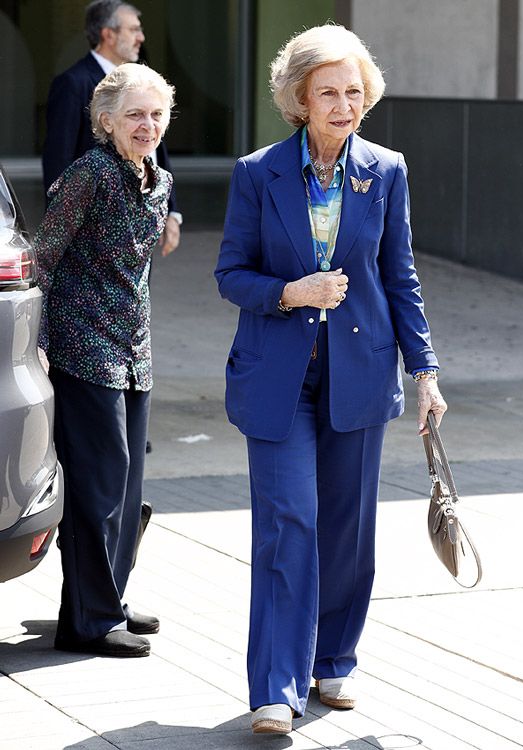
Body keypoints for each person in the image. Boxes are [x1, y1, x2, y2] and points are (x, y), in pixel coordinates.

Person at [215, 24, 447, 734]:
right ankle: (276, 687)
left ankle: (334, 660)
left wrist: (426, 368)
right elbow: (231, 274)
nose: (344, 105)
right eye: (329, 93)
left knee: (345, 530)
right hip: (277, 379)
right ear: (299, 99)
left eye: (354, 91)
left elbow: (398, 276)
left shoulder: (387, 169)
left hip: (362, 371)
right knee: (291, 523)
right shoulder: (259, 172)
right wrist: (292, 292)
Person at [35, 63, 175, 658]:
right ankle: (87, 621)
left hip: (134, 347)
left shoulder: (157, 180)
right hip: (83, 344)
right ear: (105, 121)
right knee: (98, 484)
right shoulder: (89, 174)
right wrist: (33, 347)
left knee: (129, 480)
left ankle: (109, 599)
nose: (148, 125)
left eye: (157, 114)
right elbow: (43, 258)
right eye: (135, 114)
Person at [42, 0, 181, 256]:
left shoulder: (143, 81)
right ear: (108, 34)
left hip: (139, 225)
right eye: (133, 29)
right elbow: (57, 160)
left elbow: (154, 148)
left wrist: (172, 210)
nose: (141, 37)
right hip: (94, 242)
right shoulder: (74, 83)